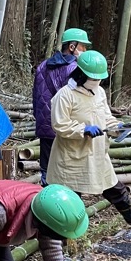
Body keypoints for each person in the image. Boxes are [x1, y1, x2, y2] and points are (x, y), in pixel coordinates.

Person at [47, 50, 131, 238]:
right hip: (72, 157)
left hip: (98, 154)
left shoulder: (99, 92)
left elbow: (106, 118)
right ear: (81, 74)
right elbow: (59, 125)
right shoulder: (65, 95)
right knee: (70, 201)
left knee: (116, 190)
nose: (96, 81)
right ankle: (66, 239)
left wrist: (120, 127)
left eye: (99, 78)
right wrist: (83, 129)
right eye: (93, 77)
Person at [32, 28, 90, 185]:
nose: (84, 51)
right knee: (66, 169)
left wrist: (39, 118)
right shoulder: (76, 69)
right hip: (66, 126)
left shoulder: (43, 66)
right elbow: (77, 101)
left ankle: (45, 201)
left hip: (45, 125)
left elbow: (36, 97)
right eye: (83, 47)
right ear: (72, 46)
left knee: (46, 169)